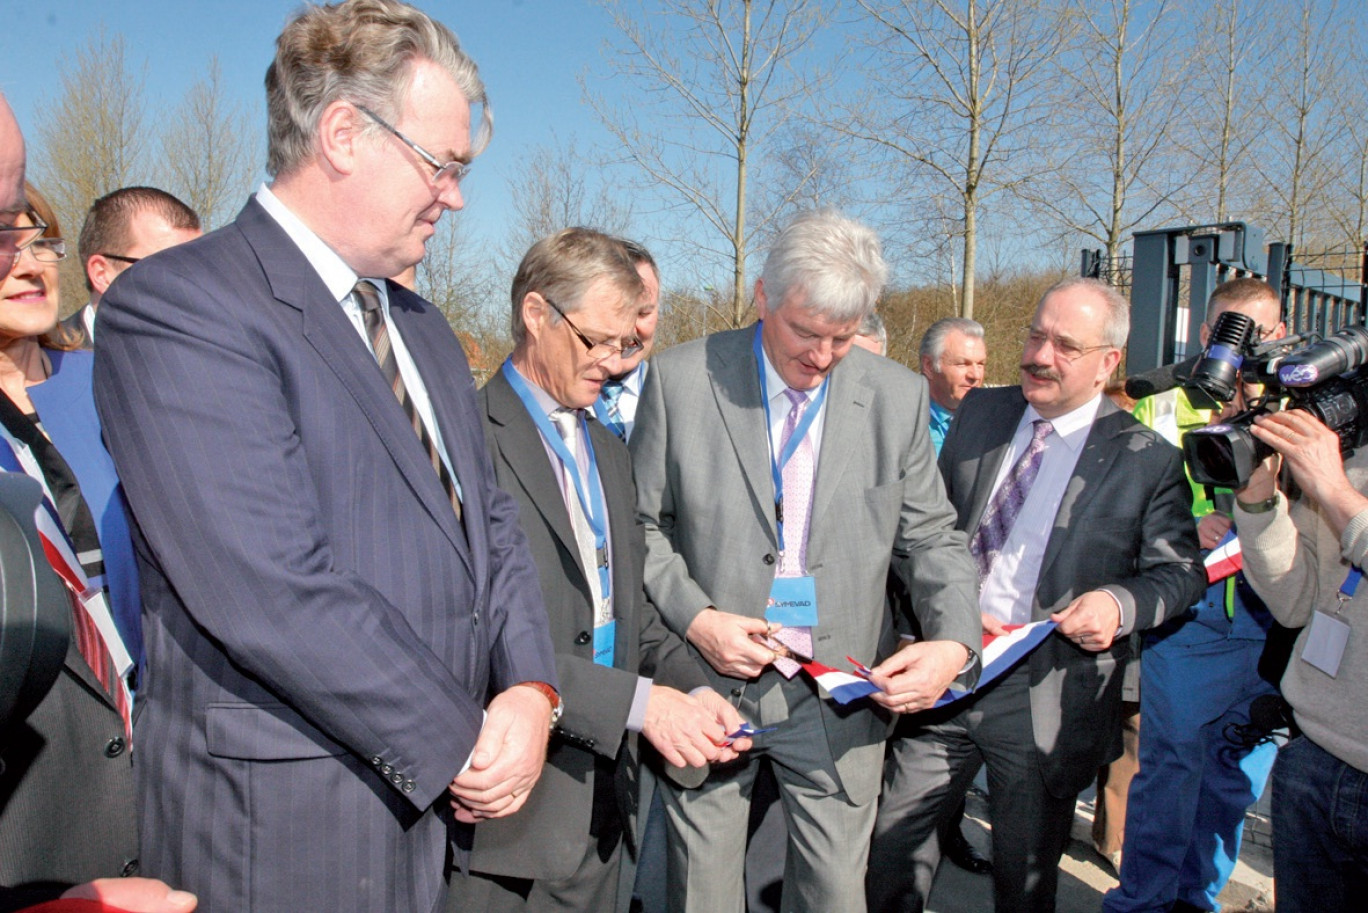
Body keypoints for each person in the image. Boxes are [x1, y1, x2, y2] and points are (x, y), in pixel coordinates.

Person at [90, 3, 557, 911]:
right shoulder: (185, 308)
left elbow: (488, 521)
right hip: (285, 829)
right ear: (344, 132)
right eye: (442, 164)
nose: (455, 196)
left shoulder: (418, 328)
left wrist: (531, 690)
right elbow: (266, 584)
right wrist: (463, 740)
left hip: (432, 814)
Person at [632, 208, 981, 913]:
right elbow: (639, 526)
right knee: (701, 893)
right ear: (762, 295)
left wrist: (952, 640)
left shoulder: (896, 397)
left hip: (840, 693)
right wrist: (697, 618)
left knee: (832, 896)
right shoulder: (680, 380)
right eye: (805, 332)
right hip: (711, 686)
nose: (821, 356)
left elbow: (932, 537)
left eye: (843, 339)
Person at [868, 277, 1205, 913]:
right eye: (1034, 335)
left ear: (1108, 362)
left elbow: (1180, 572)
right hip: (949, 668)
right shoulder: (982, 413)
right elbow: (923, 530)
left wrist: (1119, 604)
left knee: (1021, 880)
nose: (1040, 355)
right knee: (890, 851)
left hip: (1042, 695)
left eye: (1064, 345)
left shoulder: (1146, 458)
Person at [454, 228, 745, 912]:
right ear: (536, 314)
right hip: (505, 823)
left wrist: (690, 690)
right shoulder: (463, 443)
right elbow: (472, 637)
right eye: (598, 341)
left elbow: (627, 619)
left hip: (607, 809)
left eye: (627, 343)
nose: (614, 362)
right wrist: (644, 706)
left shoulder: (610, 452)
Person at [0, 185, 190, 913]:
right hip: (38, 798)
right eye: (3, 241)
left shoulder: (109, 380)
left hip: (164, 759)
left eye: (39, 240)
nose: (28, 262)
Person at [1104, 278, 1286, 913]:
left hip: (1274, 629)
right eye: (1233, 331)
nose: (1246, 347)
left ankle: (1197, 900)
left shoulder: (1309, 410)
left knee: (1233, 783)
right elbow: (1116, 515)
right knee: (1170, 776)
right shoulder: (1154, 406)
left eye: (1261, 333)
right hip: (1191, 624)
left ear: (1281, 336)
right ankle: (1142, 902)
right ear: (1207, 336)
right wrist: (1187, 525)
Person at [1234, 406, 1368, 911]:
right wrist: (1258, 501)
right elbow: (1293, 602)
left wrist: (1336, 493)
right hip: (1313, 761)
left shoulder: (1337, 477)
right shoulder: (1349, 462)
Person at [61, 187, 201, 347]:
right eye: (167, 270)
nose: (190, 287)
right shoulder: (44, 364)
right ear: (102, 274)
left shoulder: (213, 357)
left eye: (197, 269)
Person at [595, 241, 659, 443]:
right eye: (619, 313)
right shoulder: (551, 399)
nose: (629, 330)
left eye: (643, 313)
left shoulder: (679, 400)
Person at [919, 317, 986, 454]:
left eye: (980, 364)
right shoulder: (904, 422)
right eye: (962, 364)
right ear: (929, 366)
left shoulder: (992, 425)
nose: (975, 375)